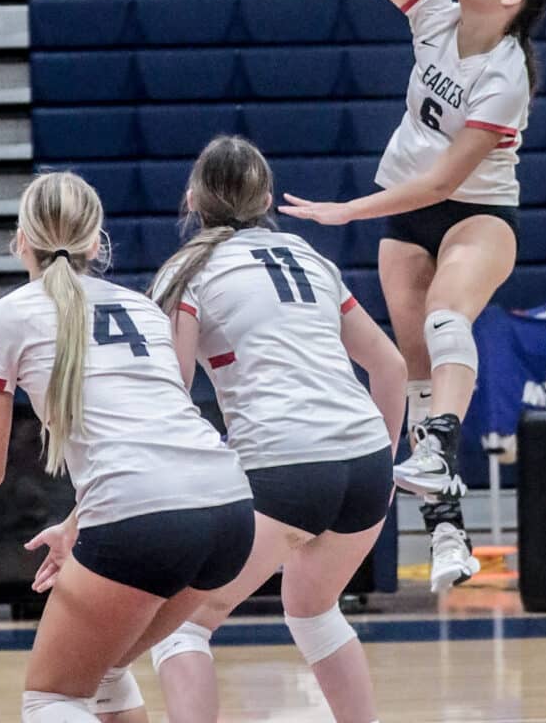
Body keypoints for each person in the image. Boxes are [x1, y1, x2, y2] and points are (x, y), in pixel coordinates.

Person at [256, 0, 546, 592]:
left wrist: (347, 211)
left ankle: (440, 453)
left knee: (447, 316)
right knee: (418, 373)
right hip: (406, 219)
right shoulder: (437, 17)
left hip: (473, 214)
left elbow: (442, 182)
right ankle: (450, 534)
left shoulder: (504, 79)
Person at [0, 171, 255, 723]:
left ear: (21, 240)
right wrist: (79, 521)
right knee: (105, 673)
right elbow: (152, 434)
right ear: (96, 241)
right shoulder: (144, 311)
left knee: (51, 699)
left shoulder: (1, 319)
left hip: (143, 515)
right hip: (230, 510)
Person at [76, 135, 406, 723]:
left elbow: (169, 390)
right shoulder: (310, 257)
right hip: (367, 461)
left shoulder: (189, 268)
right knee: (313, 611)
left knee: (183, 629)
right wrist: (381, 470)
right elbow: (391, 366)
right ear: (269, 198)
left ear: (192, 199)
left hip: (282, 464)